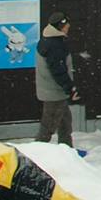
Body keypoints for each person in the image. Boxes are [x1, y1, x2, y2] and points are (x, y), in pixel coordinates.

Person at [35, 12, 79, 147]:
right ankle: (37, 155)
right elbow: (58, 70)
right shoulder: (54, 44)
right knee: (49, 125)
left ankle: (66, 150)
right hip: (54, 92)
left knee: (65, 122)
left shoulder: (48, 40)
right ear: (60, 26)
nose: (68, 27)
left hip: (54, 90)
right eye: (66, 25)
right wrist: (69, 88)